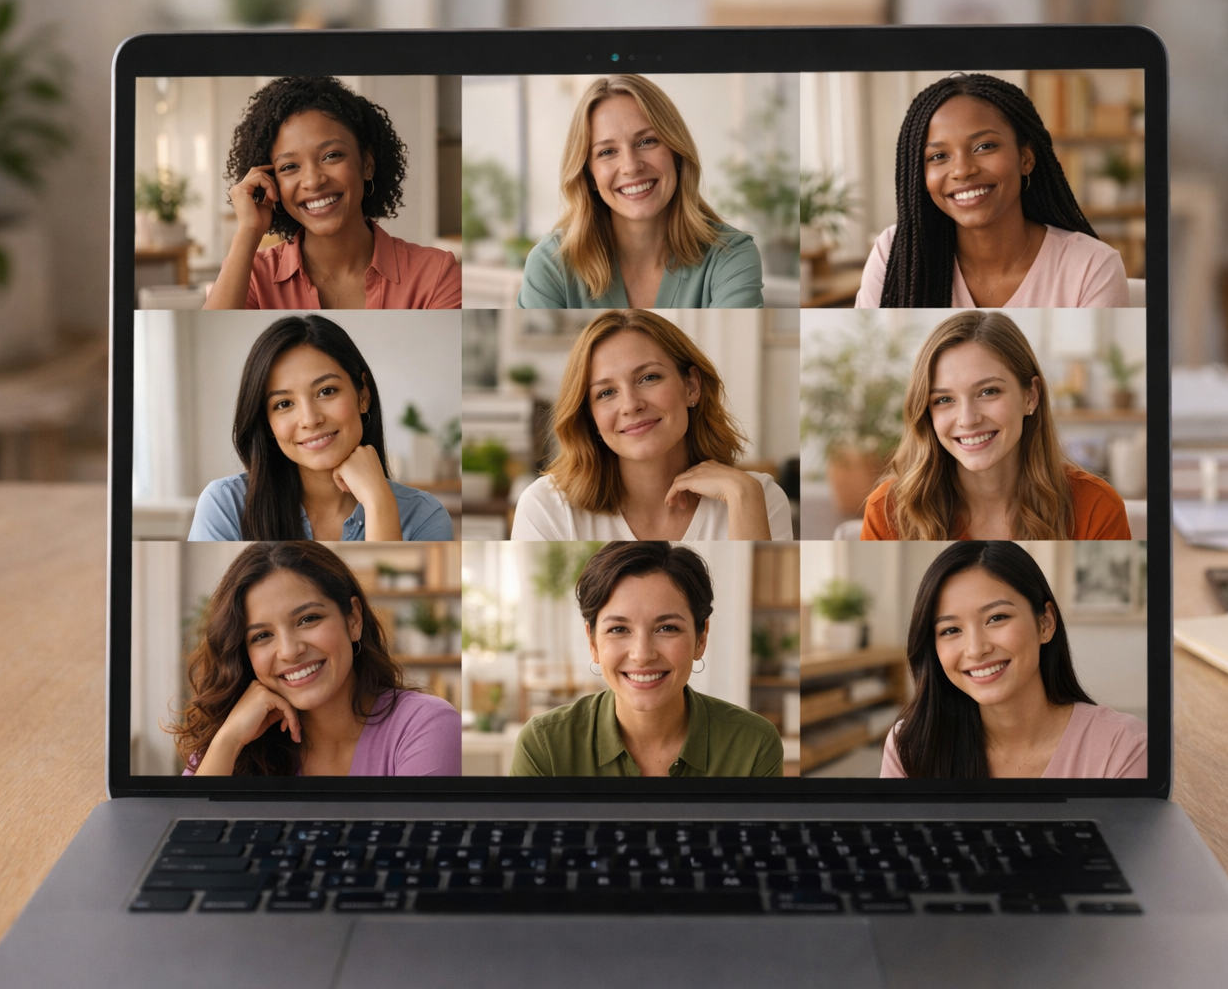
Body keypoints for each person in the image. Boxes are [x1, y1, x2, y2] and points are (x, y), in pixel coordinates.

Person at [170, 541, 461, 776]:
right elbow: (189, 839)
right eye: (261, 636)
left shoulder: (424, 725)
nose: (289, 650)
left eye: (308, 619)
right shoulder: (233, 735)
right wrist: (229, 740)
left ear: (353, 619)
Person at [856, 73, 1129, 310]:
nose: (962, 170)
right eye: (939, 156)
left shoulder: (1092, 267)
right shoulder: (894, 253)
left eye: (985, 147)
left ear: (1025, 159)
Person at [511, 541, 783, 777]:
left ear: (701, 638)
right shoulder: (543, 744)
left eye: (667, 628)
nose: (642, 655)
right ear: (592, 641)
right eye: (618, 629)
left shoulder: (754, 744)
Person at [512, 310, 791, 540]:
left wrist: (744, 497)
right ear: (590, 416)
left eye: (649, 378)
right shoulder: (547, 507)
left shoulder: (756, 496)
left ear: (691, 386)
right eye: (606, 393)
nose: (631, 405)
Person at [881, 541, 1147, 779]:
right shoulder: (910, 745)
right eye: (951, 630)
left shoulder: (1122, 746)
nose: (976, 649)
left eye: (996, 618)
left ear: (1045, 623)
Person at [861, 310, 1130, 540]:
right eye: (944, 399)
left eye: (988, 392)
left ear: (1031, 395)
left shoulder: (1096, 507)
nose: (967, 419)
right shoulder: (887, 511)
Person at [205, 75, 460, 310]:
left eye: (331, 155)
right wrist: (249, 230)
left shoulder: (435, 274)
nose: (313, 181)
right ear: (273, 182)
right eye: (289, 166)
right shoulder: (251, 277)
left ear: (367, 164)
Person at [189, 314, 452, 541]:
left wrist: (379, 503)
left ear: (363, 396)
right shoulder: (226, 505)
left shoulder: (424, 516)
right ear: (266, 422)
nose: (310, 419)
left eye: (326, 391)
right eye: (283, 404)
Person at [517, 74, 764, 309]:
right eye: (607, 152)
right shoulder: (550, 265)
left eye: (647, 141)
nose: (631, 166)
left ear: (676, 153)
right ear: (589, 176)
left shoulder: (730, 255)